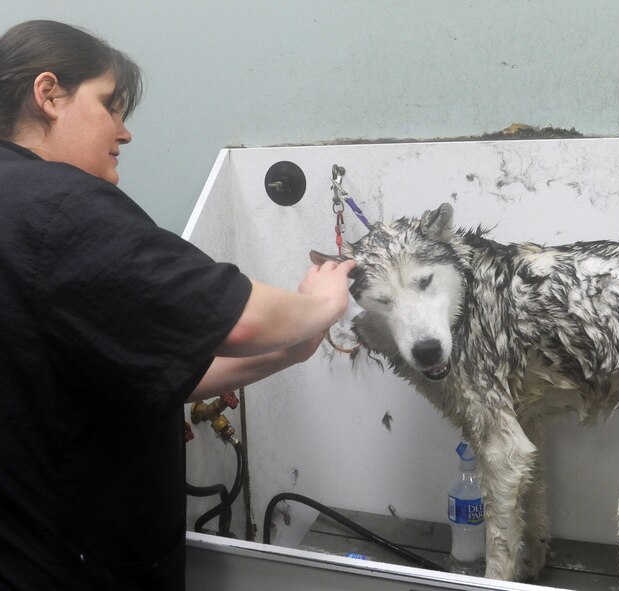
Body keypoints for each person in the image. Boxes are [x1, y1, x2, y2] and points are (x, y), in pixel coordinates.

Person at [0, 20, 355, 590]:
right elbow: (237, 320)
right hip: (75, 566)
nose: (124, 131)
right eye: (111, 106)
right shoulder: (60, 206)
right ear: (48, 94)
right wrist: (320, 305)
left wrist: (291, 353)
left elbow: (152, 369)